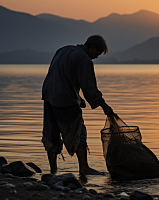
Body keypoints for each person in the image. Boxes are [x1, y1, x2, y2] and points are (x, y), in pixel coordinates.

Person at [41, 35, 113, 175]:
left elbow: (60, 76)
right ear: (92, 47)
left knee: (52, 132)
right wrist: (105, 107)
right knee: (78, 131)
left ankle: (53, 170)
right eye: (97, 53)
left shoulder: (63, 50)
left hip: (49, 95)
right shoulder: (84, 59)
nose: (96, 57)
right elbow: (90, 89)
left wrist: (78, 97)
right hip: (64, 99)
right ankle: (84, 168)